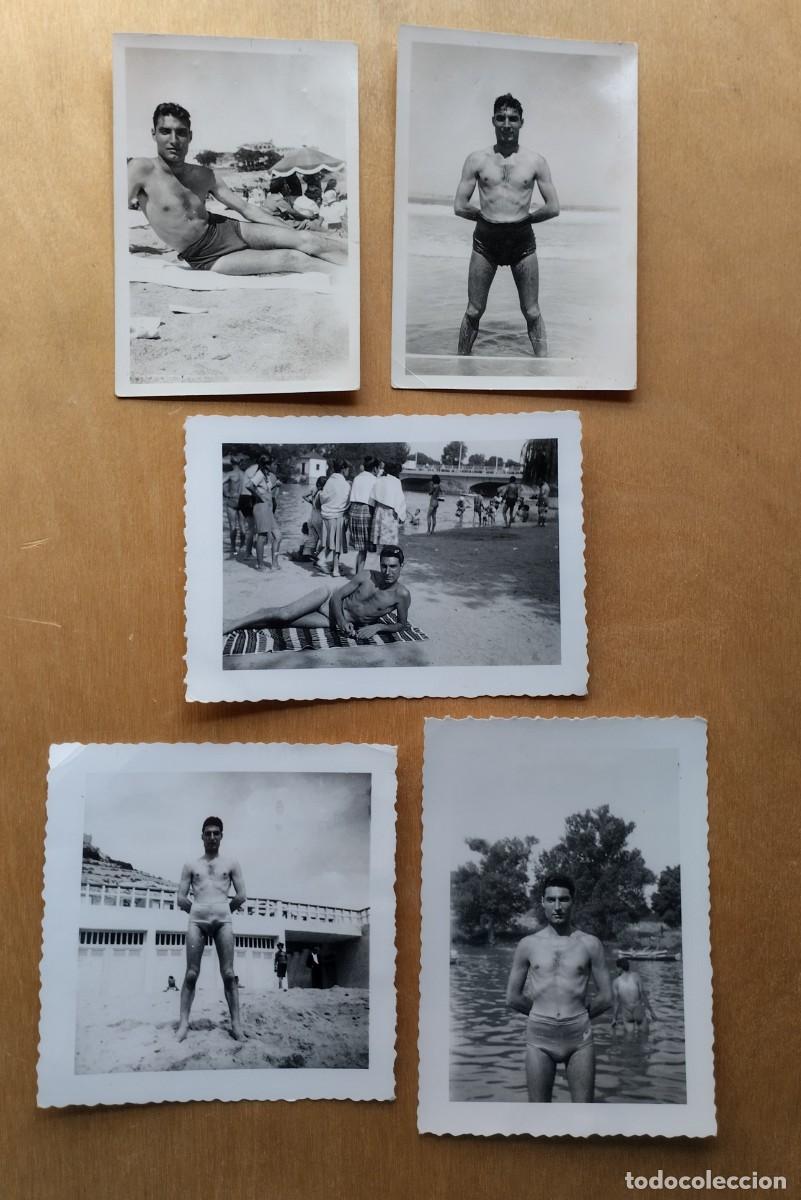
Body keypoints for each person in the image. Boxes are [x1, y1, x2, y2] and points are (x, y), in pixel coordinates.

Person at [128, 103, 347, 274]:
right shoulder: (141, 168)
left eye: (181, 132)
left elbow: (245, 208)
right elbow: (111, 215)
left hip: (227, 228)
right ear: (153, 134)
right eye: (165, 131)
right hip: (204, 255)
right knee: (294, 259)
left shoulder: (204, 174)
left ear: (190, 136)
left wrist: (286, 231)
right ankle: (351, 284)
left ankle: (363, 269)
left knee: (309, 240)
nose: (174, 140)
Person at [454, 93, 559, 358]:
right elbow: (459, 205)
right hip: (485, 241)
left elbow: (553, 207)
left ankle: (543, 369)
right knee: (474, 310)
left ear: (522, 122)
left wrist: (523, 221)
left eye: (513, 118)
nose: (507, 123)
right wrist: (485, 218)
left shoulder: (536, 161)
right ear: (493, 121)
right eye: (501, 118)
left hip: (521, 241)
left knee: (532, 311)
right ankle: (458, 367)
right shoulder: (476, 160)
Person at [506, 874, 612, 1102]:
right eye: (551, 900)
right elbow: (513, 997)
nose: (557, 907)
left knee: (584, 1117)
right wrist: (541, 1016)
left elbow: (606, 997)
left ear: (573, 902)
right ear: (542, 902)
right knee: (539, 1116)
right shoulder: (528, 945)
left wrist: (578, 1017)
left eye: (563, 900)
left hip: (579, 1037)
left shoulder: (590, 944)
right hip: (539, 1037)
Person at [224, 545, 411, 643]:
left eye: (393, 566)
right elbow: (338, 597)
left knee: (283, 622)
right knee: (284, 614)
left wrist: (378, 628)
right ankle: (233, 623)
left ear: (401, 566)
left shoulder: (402, 595)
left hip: (333, 620)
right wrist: (343, 622)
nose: (388, 571)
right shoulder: (366, 575)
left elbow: (401, 624)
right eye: (384, 566)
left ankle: (245, 623)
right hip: (328, 599)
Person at [176, 816, 247, 1042]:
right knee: (191, 973)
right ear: (202, 836)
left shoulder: (231, 863)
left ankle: (236, 1025)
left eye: (216, 833)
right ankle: (183, 1024)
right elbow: (180, 896)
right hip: (197, 920)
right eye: (208, 833)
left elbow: (242, 895)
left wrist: (223, 910)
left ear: (221, 836)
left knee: (228, 973)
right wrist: (197, 911)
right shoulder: (191, 865)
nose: (212, 837)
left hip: (222, 920)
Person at [243, 455, 280, 571]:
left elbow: (265, 490)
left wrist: (274, 486)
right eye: (273, 464)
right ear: (267, 465)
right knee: (262, 536)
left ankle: (274, 564)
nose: (275, 466)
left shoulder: (266, 475)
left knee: (278, 536)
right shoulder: (260, 474)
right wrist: (259, 497)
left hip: (267, 507)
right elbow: (249, 485)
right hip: (261, 507)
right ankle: (260, 565)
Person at [320, 459, 351, 577]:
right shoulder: (345, 484)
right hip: (337, 515)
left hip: (326, 515)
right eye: (348, 469)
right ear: (343, 469)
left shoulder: (329, 481)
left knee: (331, 542)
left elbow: (323, 497)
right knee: (337, 545)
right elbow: (347, 502)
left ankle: (333, 566)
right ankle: (333, 568)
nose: (348, 471)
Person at [348, 456, 379, 575]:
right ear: (375, 468)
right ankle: (368, 577)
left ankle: (358, 575)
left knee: (361, 550)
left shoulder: (357, 478)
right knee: (371, 548)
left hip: (353, 511)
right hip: (366, 511)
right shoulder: (375, 480)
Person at [370, 463, 407, 555]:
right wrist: (402, 516)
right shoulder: (396, 482)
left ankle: (381, 563)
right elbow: (400, 501)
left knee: (381, 544)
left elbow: (372, 498)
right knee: (390, 544)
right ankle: (387, 565)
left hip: (379, 512)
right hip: (390, 514)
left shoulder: (379, 480)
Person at [611, 960, 656, 1033]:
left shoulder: (615, 982)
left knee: (629, 1039)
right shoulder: (636, 976)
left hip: (627, 1012)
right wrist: (651, 1011)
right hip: (638, 1010)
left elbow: (616, 1003)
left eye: (617, 968)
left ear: (620, 968)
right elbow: (643, 995)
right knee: (645, 1037)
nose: (616, 970)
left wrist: (614, 1018)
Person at [222, 455, 246, 557]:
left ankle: (233, 548)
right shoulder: (245, 474)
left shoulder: (230, 474)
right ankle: (242, 546)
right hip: (243, 500)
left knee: (232, 525)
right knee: (243, 525)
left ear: (231, 463)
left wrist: (225, 493)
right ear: (240, 463)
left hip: (232, 500)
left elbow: (220, 483)